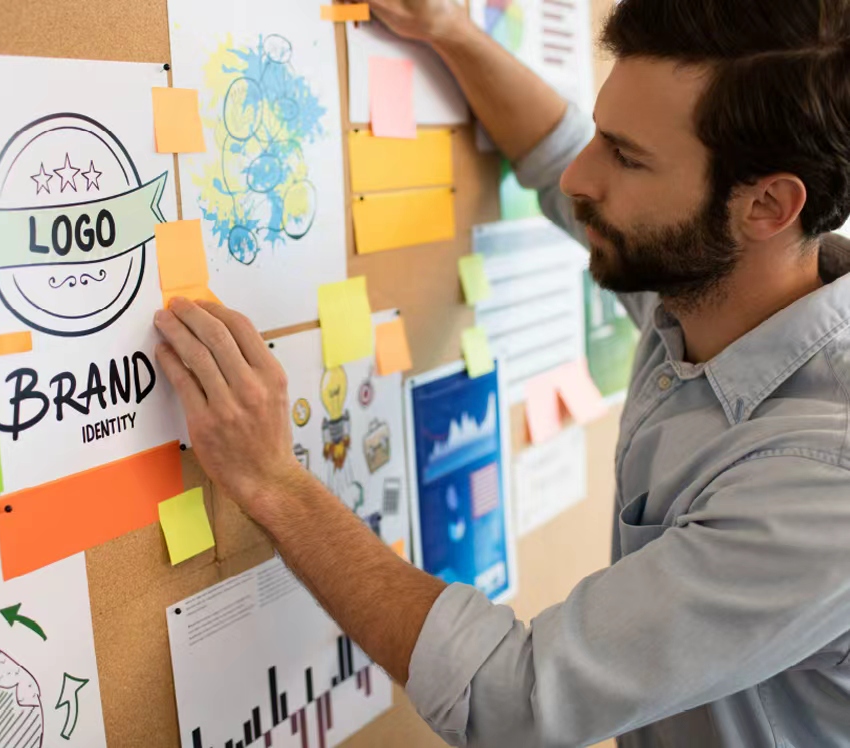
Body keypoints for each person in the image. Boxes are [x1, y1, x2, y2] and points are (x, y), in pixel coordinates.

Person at [152, 0, 850, 745]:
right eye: (603, 134)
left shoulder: (821, 483)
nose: (582, 174)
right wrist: (449, 30)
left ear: (767, 205)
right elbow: (557, 157)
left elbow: (512, 701)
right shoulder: (720, 289)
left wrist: (273, 480)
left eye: (626, 157)